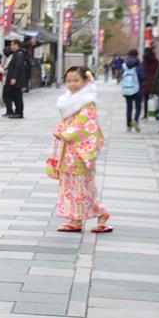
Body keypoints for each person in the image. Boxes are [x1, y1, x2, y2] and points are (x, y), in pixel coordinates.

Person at [50, 67, 112, 234]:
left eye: (76, 80)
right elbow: (69, 122)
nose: (72, 84)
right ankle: (79, 219)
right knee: (73, 186)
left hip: (80, 151)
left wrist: (65, 133)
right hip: (69, 150)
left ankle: (97, 214)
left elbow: (85, 124)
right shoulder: (70, 100)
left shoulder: (88, 102)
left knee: (82, 186)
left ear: (86, 81)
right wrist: (60, 130)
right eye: (69, 81)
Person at [120, 48, 146, 132]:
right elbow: (143, 77)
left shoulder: (125, 66)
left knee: (129, 108)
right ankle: (135, 120)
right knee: (138, 107)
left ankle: (128, 125)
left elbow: (121, 76)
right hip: (137, 89)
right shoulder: (139, 65)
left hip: (127, 89)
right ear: (137, 55)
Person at [5, 39, 27, 118]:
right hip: (15, 79)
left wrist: (14, 78)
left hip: (17, 79)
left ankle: (19, 112)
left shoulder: (19, 54)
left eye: (12, 45)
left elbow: (17, 67)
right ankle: (17, 111)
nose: (10, 46)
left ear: (16, 45)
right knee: (14, 95)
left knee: (17, 96)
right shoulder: (16, 53)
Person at [141, 47, 159, 122]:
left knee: (146, 99)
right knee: (155, 98)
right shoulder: (156, 62)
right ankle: (155, 114)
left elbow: (142, 71)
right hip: (154, 81)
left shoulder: (144, 62)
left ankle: (145, 114)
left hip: (146, 82)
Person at [1, 46, 14, 117]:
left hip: (8, 79)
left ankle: (10, 111)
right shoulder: (7, 58)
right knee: (6, 96)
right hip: (6, 79)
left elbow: (5, 70)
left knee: (6, 95)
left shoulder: (10, 58)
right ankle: (9, 110)